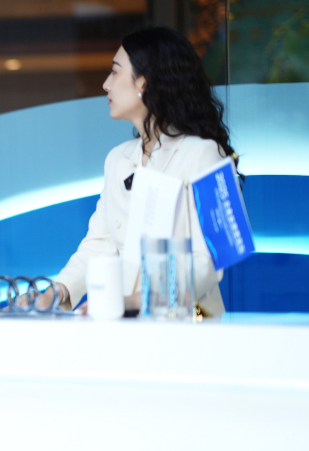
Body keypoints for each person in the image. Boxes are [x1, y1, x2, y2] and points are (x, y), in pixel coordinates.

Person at [45, 27, 235, 315]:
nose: (106, 85)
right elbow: (99, 244)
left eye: (115, 72)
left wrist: (135, 300)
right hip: (125, 329)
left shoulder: (205, 154)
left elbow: (210, 258)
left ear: (143, 83)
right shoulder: (117, 159)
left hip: (186, 329)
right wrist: (56, 291)